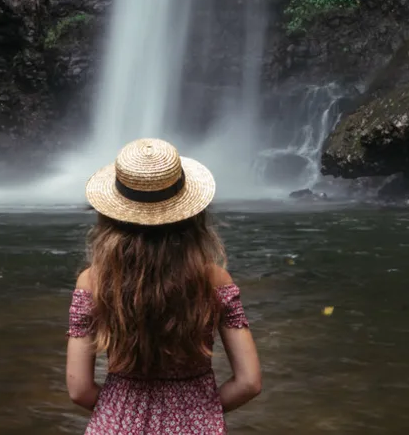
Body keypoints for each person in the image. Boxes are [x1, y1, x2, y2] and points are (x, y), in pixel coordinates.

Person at [66, 137, 262, 432]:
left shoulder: (93, 281)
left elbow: (79, 390)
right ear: (192, 214)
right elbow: (249, 382)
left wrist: (118, 411)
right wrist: (199, 412)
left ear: (111, 216)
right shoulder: (215, 280)